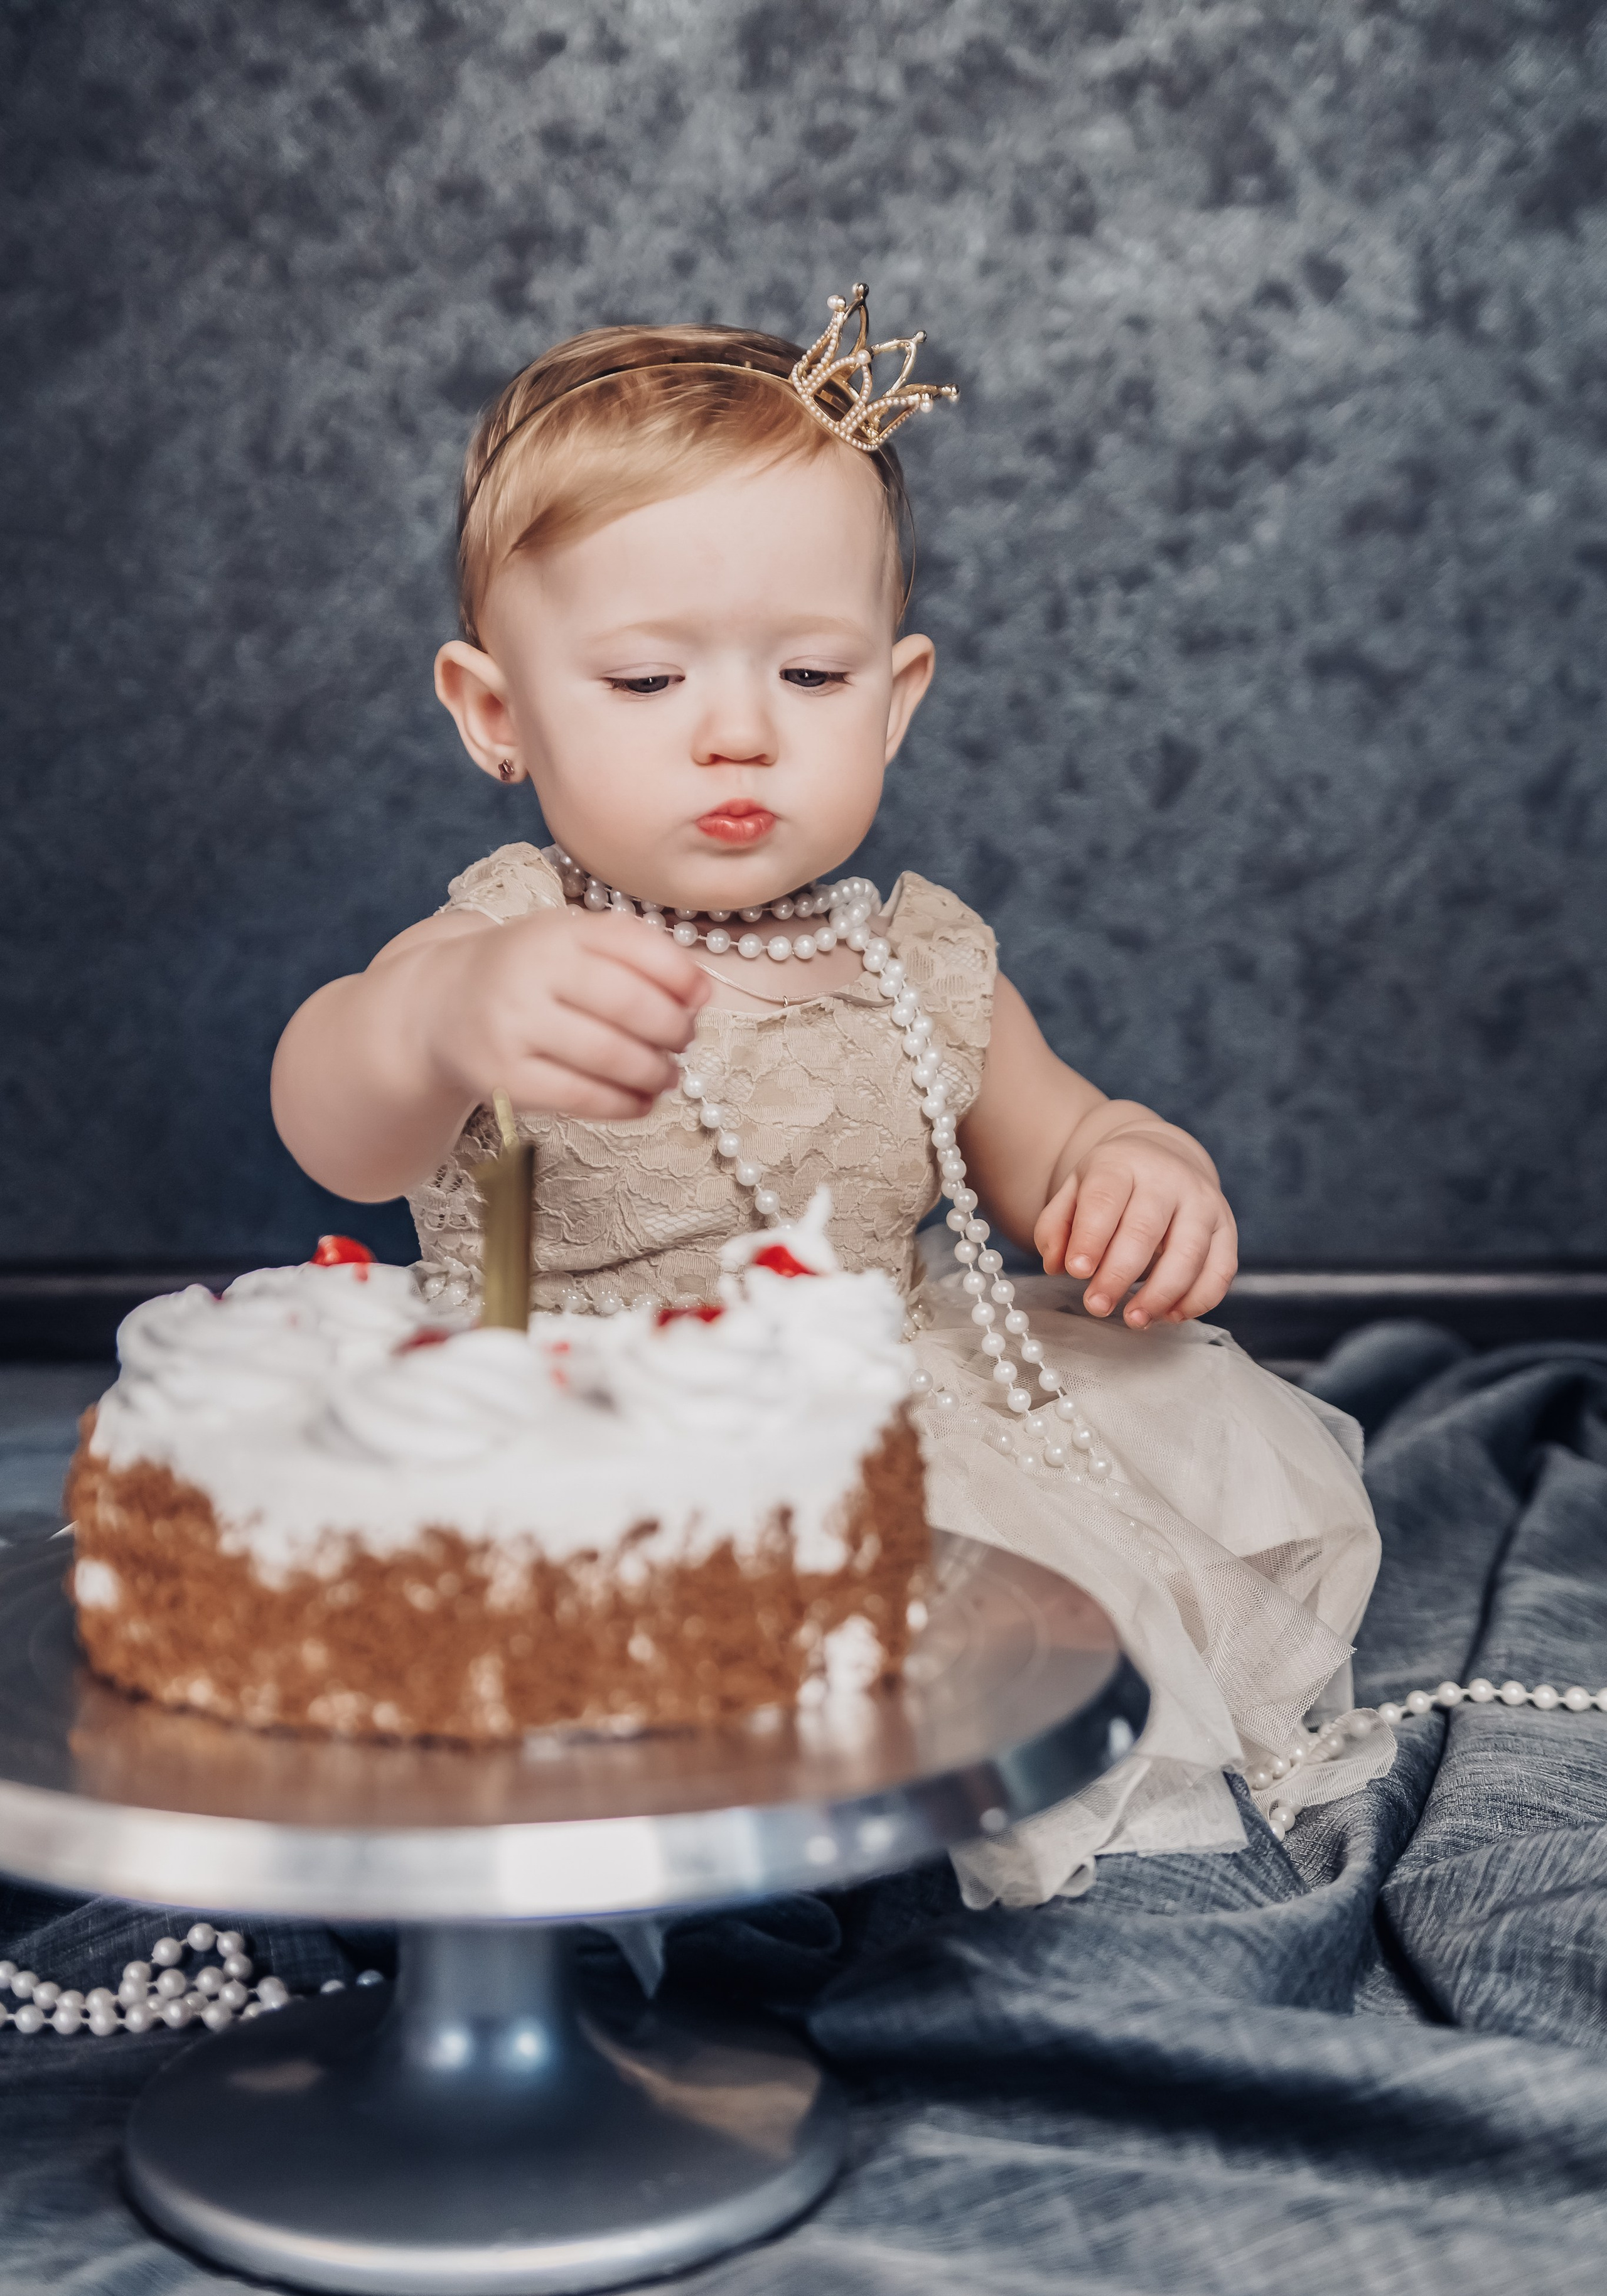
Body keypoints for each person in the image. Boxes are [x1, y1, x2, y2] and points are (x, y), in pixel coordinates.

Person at [272, 287, 1387, 1905]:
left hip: (885, 1423)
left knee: (1019, 1596)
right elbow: (333, 1117)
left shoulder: (912, 957)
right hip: (585, 1423)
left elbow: (1054, 1139)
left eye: (809, 672)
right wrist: (438, 1023)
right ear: (497, 714)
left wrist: (1135, 1166)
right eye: (647, 684)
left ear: (897, 693)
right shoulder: (507, 943)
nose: (739, 733)